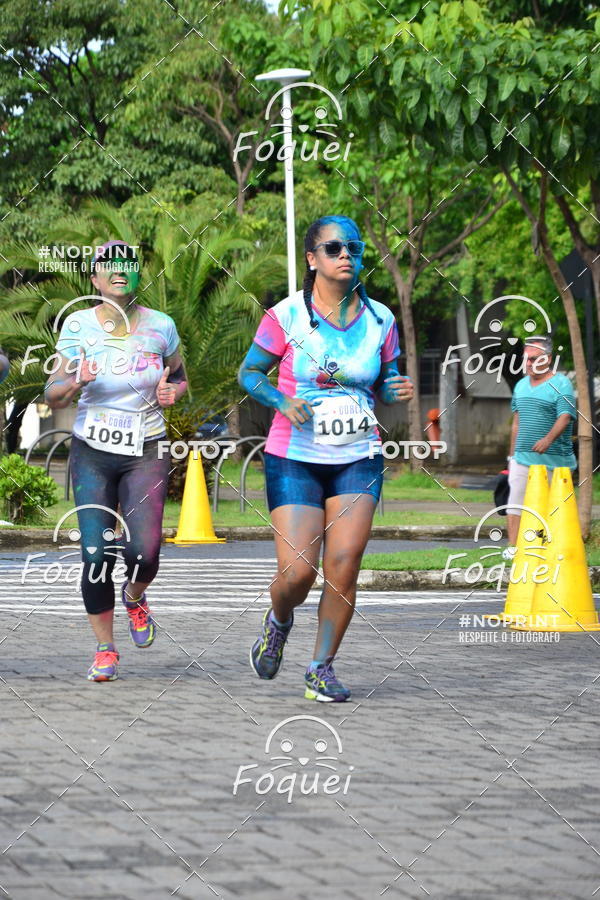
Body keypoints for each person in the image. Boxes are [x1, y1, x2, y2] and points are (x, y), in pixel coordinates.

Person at [238, 215, 413, 702]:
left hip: (358, 454)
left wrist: (394, 388)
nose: (345, 256)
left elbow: (387, 380)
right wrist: (280, 401)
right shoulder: (285, 316)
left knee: (344, 563)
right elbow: (249, 374)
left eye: (353, 249)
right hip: (294, 455)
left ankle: (321, 668)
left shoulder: (382, 319)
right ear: (312, 259)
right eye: (333, 248)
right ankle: (278, 620)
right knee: (297, 574)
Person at [45, 240, 187, 682]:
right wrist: (74, 382)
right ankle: (106, 649)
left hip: (147, 448)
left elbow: (180, 378)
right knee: (95, 554)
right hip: (92, 451)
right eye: (110, 264)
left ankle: (135, 595)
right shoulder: (77, 325)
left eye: (129, 263)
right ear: (94, 279)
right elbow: (51, 394)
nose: (120, 270)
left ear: (139, 274)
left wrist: (172, 393)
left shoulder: (161, 326)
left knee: (145, 551)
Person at [505, 335, 576, 558]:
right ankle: (513, 548)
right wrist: (511, 456)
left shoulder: (562, 383)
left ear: (548, 359)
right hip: (522, 459)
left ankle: (550, 550)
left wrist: (547, 439)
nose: (529, 364)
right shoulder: (520, 385)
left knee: (551, 509)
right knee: (515, 505)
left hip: (556, 462)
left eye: (534, 359)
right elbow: (516, 423)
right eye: (526, 360)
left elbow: (565, 417)